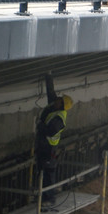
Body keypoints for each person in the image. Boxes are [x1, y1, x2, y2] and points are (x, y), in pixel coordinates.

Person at [35, 74, 72, 207]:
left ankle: (49, 198)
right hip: (43, 146)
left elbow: (50, 131)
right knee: (41, 172)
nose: (56, 100)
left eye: (59, 100)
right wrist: (48, 76)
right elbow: (51, 93)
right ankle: (42, 196)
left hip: (49, 148)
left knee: (48, 174)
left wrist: (40, 125)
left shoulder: (59, 119)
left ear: (62, 105)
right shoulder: (54, 107)